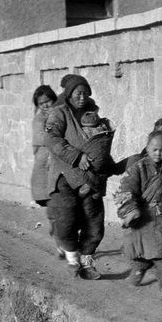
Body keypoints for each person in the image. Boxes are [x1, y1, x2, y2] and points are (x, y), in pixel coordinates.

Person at [44, 75, 112, 280]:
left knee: (94, 220)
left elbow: (100, 143)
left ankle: (87, 262)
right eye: (77, 93)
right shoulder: (59, 114)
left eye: (85, 93)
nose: (82, 97)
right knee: (67, 217)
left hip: (89, 177)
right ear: (69, 94)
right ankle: (73, 259)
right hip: (64, 174)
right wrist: (76, 156)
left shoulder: (93, 114)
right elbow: (52, 138)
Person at [115, 130, 162, 293]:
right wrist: (131, 209)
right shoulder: (138, 168)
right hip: (142, 217)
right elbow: (126, 189)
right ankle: (138, 270)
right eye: (155, 149)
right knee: (141, 250)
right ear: (147, 147)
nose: (158, 153)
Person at [63, 109, 116, 199]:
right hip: (99, 162)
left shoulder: (83, 131)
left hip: (91, 161)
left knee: (89, 173)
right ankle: (94, 190)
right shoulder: (104, 128)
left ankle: (89, 189)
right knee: (99, 173)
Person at [31, 85, 58, 206]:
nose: (45, 106)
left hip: (57, 153)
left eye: (48, 101)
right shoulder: (39, 119)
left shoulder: (60, 113)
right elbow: (43, 137)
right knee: (47, 195)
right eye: (41, 103)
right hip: (45, 155)